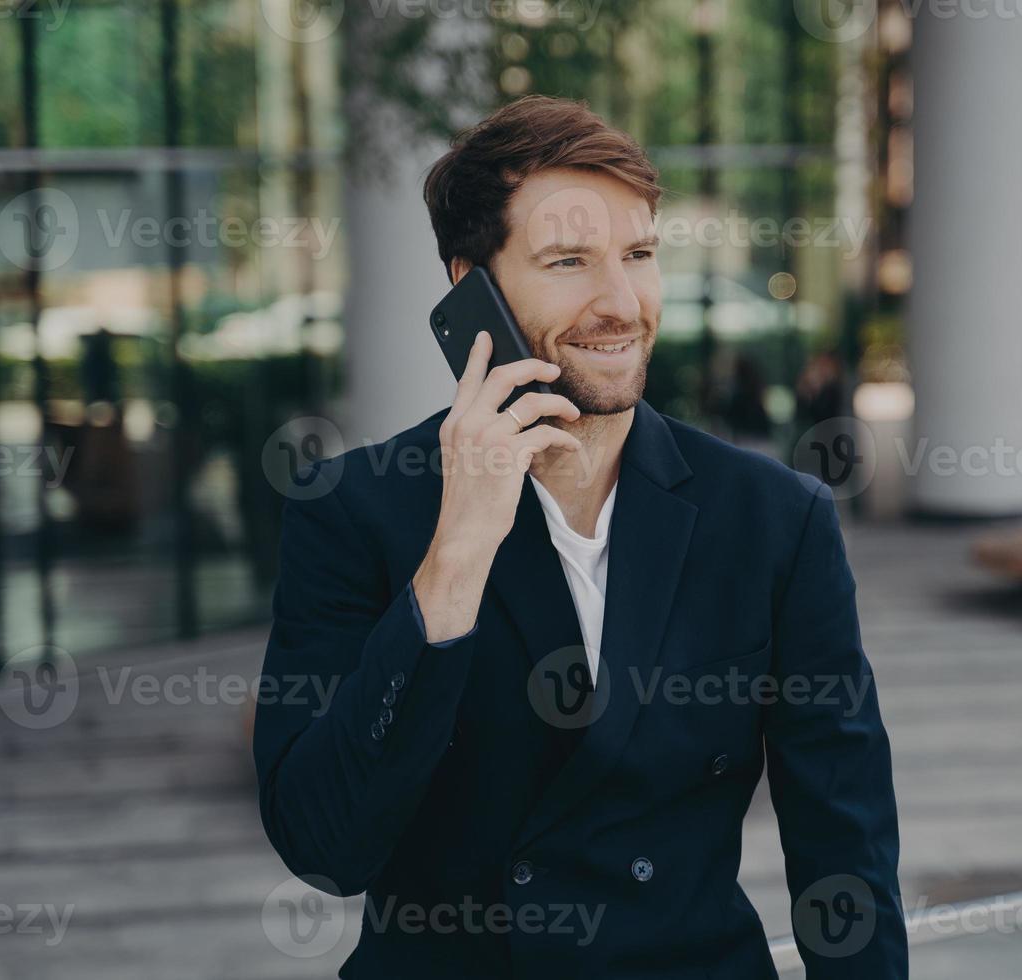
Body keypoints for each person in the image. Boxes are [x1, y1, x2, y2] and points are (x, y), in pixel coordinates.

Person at [253, 95, 907, 980]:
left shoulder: (771, 518)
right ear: (467, 288)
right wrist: (455, 559)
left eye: (639, 255)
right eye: (569, 261)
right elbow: (325, 848)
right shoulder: (354, 509)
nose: (620, 301)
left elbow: (846, 847)